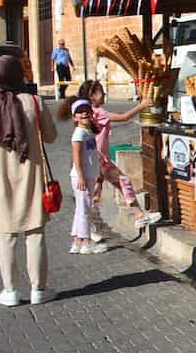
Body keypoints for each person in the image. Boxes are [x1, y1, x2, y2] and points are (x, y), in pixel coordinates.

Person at [0, 54, 56, 306]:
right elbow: (50, 137)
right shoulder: (34, 102)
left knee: (5, 236)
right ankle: (38, 288)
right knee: (35, 234)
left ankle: (10, 291)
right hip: (31, 178)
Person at [62, 80, 157, 239]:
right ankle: (138, 216)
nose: (104, 95)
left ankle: (91, 229)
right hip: (100, 160)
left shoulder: (88, 113)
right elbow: (124, 117)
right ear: (93, 96)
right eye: (101, 92)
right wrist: (143, 105)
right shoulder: (98, 113)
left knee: (96, 195)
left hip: (97, 159)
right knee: (120, 182)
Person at [67, 99, 108, 254]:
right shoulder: (78, 134)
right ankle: (87, 242)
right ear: (74, 117)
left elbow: (89, 152)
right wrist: (81, 176)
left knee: (81, 208)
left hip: (89, 175)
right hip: (82, 177)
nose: (84, 114)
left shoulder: (88, 132)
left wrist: (99, 156)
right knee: (85, 209)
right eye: (80, 112)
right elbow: (76, 157)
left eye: (87, 111)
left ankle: (77, 241)